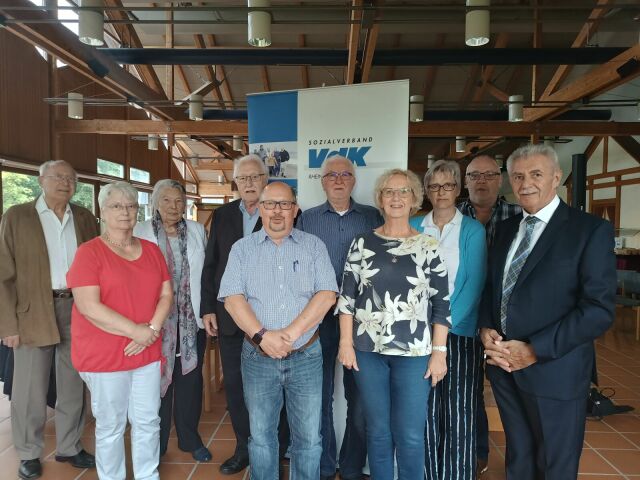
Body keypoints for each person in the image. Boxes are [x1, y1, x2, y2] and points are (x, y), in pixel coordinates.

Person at [479, 144, 616, 479]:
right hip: (504, 366)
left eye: (536, 174)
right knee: (520, 456)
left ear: (557, 178)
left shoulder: (588, 230)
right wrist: (485, 327)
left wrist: (535, 350)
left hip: (555, 368)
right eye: (519, 176)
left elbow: (599, 309)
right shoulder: (507, 228)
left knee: (555, 462)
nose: (526, 183)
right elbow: (492, 286)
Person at [218, 182, 338, 480]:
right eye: (270, 204)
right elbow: (233, 300)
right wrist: (263, 336)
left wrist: (288, 334)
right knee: (260, 437)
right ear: (260, 208)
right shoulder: (242, 249)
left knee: (309, 439)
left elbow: (327, 294)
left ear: (295, 210)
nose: (277, 211)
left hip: (306, 355)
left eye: (285, 205)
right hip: (257, 358)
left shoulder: (314, 246)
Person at [337, 169, 451, 480]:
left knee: (411, 435)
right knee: (377, 432)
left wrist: (439, 352)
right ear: (380, 199)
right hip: (367, 352)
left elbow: (441, 304)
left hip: (415, 354)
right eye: (389, 192)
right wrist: (345, 343)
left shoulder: (429, 246)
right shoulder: (362, 243)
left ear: (415, 199)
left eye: (404, 192)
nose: (396, 198)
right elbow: (347, 298)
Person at [67, 181, 173, 480]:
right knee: (111, 425)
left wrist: (150, 330)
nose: (125, 212)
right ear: (103, 211)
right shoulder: (89, 253)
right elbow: (89, 306)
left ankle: (147, 475)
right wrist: (135, 332)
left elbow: (166, 295)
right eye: (116, 206)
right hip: (105, 354)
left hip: (147, 350)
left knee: (148, 421)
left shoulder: (152, 250)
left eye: (130, 206)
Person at [0, 160, 99, 480]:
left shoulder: (84, 217)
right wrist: (7, 326)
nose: (66, 183)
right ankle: (29, 451)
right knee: (29, 388)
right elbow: (3, 275)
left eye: (72, 178)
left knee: (74, 384)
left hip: (78, 308)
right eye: (58, 177)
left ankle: (70, 445)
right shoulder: (17, 216)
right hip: (33, 311)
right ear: (41, 180)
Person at [201, 154, 289, 475]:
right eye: (244, 178)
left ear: (266, 179)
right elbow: (211, 266)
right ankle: (244, 448)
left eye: (256, 177)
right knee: (236, 389)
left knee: (273, 388)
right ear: (235, 182)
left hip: (270, 320)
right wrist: (208, 307)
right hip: (229, 321)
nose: (250, 183)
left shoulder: (283, 212)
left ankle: (275, 451)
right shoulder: (221, 216)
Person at [297, 155, 382, 480]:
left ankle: (350, 466)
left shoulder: (373, 217)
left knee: (359, 399)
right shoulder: (308, 219)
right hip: (317, 320)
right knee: (318, 395)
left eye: (345, 174)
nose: (338, 179)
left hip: (362, 321)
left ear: (353, 180)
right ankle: (322, 466)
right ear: (322, 180)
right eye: (331, 174)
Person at [410, 160, 487, 479]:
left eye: (448, 185)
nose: (441, 192)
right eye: (434, 186)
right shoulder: (414, 224)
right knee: (423, 409)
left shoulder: (472, 229)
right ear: (426, 190)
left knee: (459, 409)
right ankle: (426, 473)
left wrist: (443, 324)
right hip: (417, 331)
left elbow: (474, 282)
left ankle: (457, 474)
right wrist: (422, 323)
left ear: (459, 188)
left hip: (459, 331)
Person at [134, 179, 211, 462]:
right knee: (156, 381)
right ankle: (159, 440)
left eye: (179, 201)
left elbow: (206, 273)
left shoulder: (196, 230)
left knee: (190, 380)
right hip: (155, 322)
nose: (173, 206)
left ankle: (189, 438)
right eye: (166, 200)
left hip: (191, 320)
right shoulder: (139, 231)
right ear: (155, 202)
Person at [457, 154, 521, 474]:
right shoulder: (453, 217)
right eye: (474, 175)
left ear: (500, 179)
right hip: (463, 318)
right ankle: (477, 452)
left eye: (488, 174)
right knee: (468, 391)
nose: (481, 181)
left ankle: (521, 462)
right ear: (465, 181)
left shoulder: (519, 216)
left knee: (513, 396)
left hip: (507, 322)